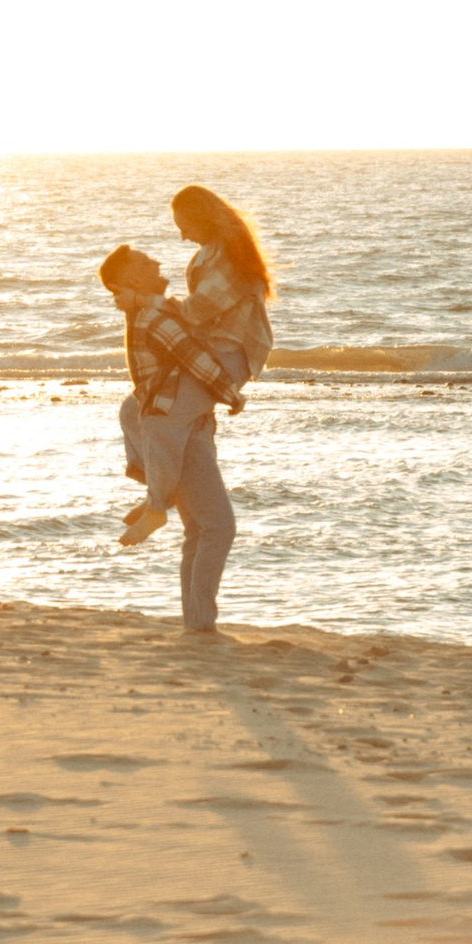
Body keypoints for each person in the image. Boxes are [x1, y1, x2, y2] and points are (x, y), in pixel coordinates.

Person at [162, 182, 276, 631]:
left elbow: (202, 308)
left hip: (226, 355)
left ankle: (154, 485)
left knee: (208, 526)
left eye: (183, 225)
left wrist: (156, 308)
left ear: (200, 217)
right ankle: (197, 622)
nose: (181, 236)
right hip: (212, 358)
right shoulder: (216, 249)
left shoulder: (227, 253)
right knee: (206, 526)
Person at [99, 245, 246, 549]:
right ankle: (156, 505)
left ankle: (157, 496)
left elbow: (177, 316)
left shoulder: (145, 310)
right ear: (136, 281)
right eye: (145, 262)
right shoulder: (154, 317)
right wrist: (230, 393)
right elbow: (194, 358)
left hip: (154, 401)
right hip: (166, 406)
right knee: (159, 434)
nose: (156, 261)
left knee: (132, 412)